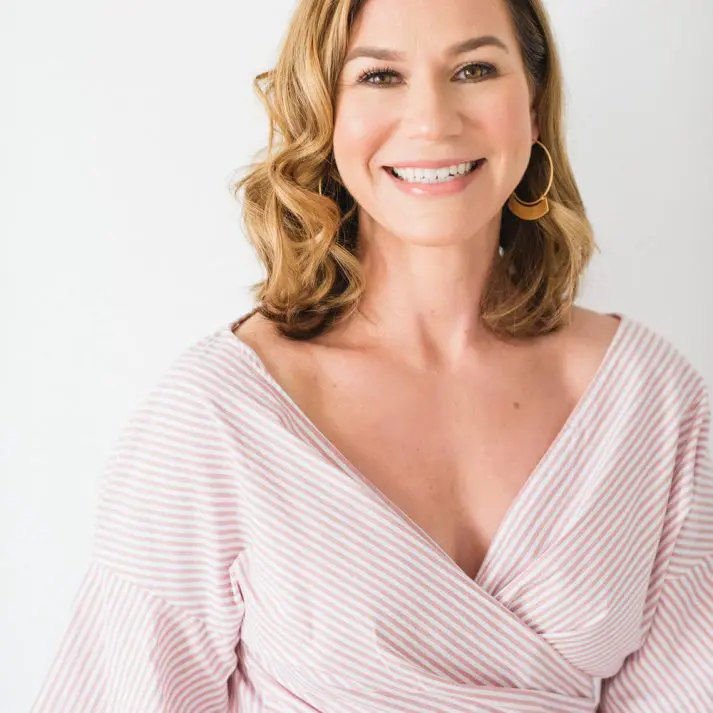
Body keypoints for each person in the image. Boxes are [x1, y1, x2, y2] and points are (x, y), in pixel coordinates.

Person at [30, 0, 712, 711]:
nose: (432, 121)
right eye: (380, 77)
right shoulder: (217, 418)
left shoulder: (647, 400)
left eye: (474, 69)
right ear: (324, 113)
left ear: (534, 106)